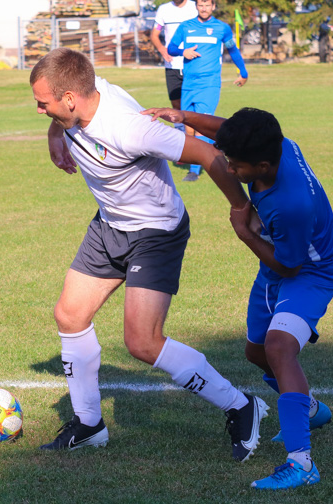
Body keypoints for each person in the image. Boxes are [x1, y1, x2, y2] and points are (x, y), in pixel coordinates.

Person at [29, 48, 268, 462]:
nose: (38, 109)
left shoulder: (129, 128)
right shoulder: (80, 99)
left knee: (142, 342)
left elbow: (208, 155)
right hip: (109, 226)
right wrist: (56, 134)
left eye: (43, 103)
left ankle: (242, 406)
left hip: (156, 233)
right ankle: (89, 426)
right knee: (69, 315)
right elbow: (65, 116)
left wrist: (241, 208)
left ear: (70, 98)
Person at [142, 106, 333, 490]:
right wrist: (181, 116)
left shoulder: (290, 205)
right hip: (276, 264)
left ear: (264, 166)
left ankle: (301, 464)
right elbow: (227, 131)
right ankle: (311, 410)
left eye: (236, 166)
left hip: (309, 273)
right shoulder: (276, 145)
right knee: (256, 354)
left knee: (280, 348)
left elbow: (289, 265)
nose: (230, 171)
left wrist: (245, 233)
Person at [166, 0, 248, 183]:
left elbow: (233, 50)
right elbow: (171, 48)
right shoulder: (186, 26)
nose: (204, 8)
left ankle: (195, 170)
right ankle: (208, 155)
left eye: (207, 5)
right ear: (197, 6)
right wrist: (183, 52)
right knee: (188, 126)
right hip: (188, 83)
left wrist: (243, 72)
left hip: (209, 84)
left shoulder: (222, 28)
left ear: (213, 7)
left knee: (202, 124)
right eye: (201, 5)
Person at [150, 0, 198, 116]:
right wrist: (162, 49)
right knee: (176, 104)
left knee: (194, 105)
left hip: (192, 64)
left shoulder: (195, 7)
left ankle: (197, 133)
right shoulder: (163, 9)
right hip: (172, 65)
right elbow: (154, 34)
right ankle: (180, 132)